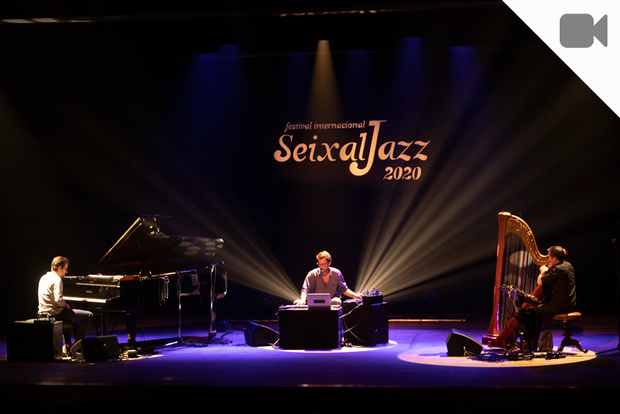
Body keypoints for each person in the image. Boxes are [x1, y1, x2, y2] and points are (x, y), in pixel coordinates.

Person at [521, 246, 577, 351]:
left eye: (549, 257)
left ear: (555, 259)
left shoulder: (557, 269)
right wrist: (551, 267)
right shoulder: (568, 265)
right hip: (570, 305)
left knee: (528, 311)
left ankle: (528, 343)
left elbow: (540, 281)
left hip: (559, 306)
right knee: (537, 312)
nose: (547, 259)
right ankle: (533, 343)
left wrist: (543, 270)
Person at [38, 256, 93, 350]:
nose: (66, 272)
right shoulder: (57, 279)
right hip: (55, 314)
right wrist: (65, 304)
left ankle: (67, 344)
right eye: (65, 269)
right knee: (88, 315)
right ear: (60, 268)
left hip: (42, 313)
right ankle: (76, 344)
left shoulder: (43, 277)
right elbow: (58, 301)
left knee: (69, 312)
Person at [294, 251, 362, 306]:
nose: (321, 266)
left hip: (332, 302)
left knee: (336, 301)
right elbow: (305, 290)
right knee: (296, 302)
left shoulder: (337, 274)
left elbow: (344, 289)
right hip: (316, 302)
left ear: (329, 263)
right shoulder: (312, 274)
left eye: (323, 264)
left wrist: (356, 295)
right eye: (319, 264)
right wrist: (302, 300)